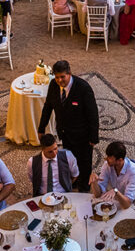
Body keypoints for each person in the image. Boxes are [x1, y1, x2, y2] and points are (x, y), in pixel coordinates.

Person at [38, 60, 99, 190]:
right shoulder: (53, 86)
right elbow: (47, 107)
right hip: (65, 134)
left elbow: (93, 114)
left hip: (83, 136)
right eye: (57, 77)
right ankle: (74, 181)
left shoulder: (83, 88)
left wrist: (94, 137)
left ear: (69, 74)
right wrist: (41, 128)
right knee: (70, 161)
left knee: (84, 163)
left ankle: (84, 188)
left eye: (62, 77)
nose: (60, 80)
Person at [90, 140, 135, 208]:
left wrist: (116, 191)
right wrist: (94, 182)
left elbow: (127, 204)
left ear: (120, 160)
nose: (106, 159)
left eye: (110, 158)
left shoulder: (134, 173)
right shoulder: (108, 165)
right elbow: (98, 195)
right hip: (119, 197)